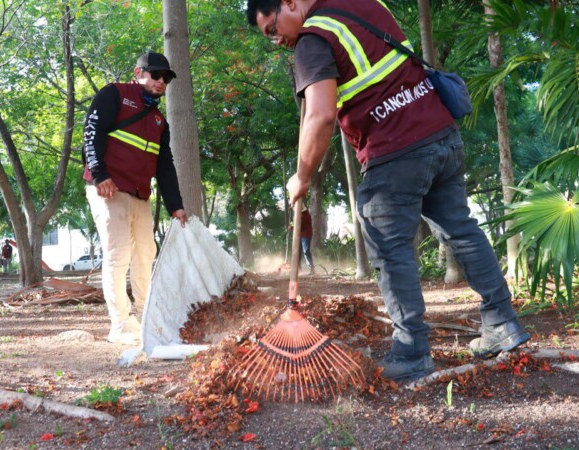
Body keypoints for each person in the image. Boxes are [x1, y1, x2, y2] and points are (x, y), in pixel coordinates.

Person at [246, 0, 529, 381]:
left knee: (390, 247)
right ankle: (501, 323)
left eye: (273, 28)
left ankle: (411, 351)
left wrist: (302, 175)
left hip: (395, 151)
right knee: (461, 230)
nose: (276, 40)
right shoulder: (366, 4)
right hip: (441, 135)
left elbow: (320, 114)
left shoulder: (312, 41)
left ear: (289, 3)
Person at [81, 51, 188, 345]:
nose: (160, 82)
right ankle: (120, 325)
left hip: (140, 196)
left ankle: (147, 315)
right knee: (119, 255)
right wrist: (100, 174)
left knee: (145, 253)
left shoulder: (158, 121)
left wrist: (176, 206)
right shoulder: (114, 94)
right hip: (109, 190)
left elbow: (164, 164)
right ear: (138, 72)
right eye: (155, 75)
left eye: (165, 78)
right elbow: (91, 133)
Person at [299, 207, 315, 274]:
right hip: (300, 236)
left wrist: (291, 227)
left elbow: (300, 226)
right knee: (298, 253)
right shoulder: (302, 215)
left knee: (306, 252)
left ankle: (311, 268)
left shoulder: (305, 216)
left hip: (305, 236)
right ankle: (298, 269)